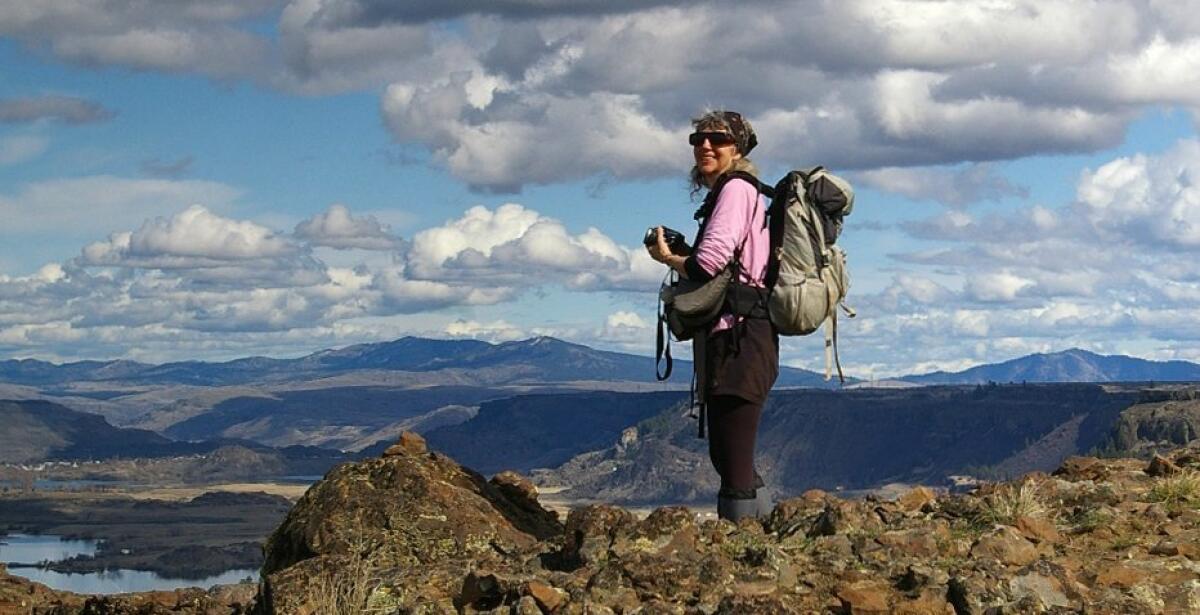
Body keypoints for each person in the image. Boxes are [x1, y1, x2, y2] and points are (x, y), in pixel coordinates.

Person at [647, 110, 779, 522]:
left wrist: (668, 257)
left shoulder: (736, 190)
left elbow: (707, 265)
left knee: (733, 454)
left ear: (736, 148)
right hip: (739, 335)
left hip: (740, 337)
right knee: (728, 452)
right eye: (698, 139)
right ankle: (761, 539)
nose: (705, 145)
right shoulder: (737, 192)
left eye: (717, 139)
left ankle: (743, 553)